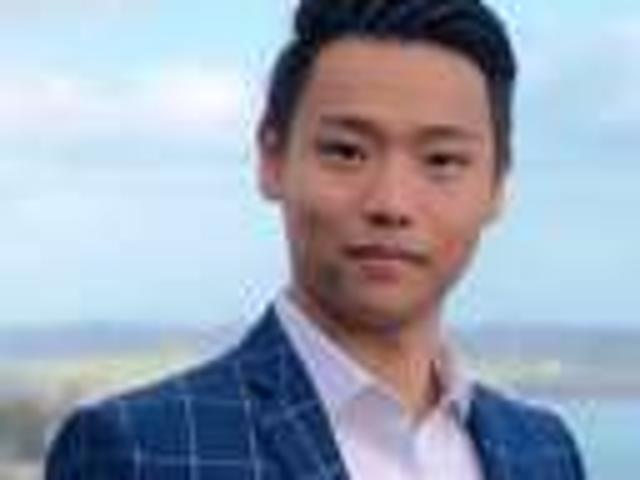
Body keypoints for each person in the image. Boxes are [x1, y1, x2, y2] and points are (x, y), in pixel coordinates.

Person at [46, 0, 586, 479]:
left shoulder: (541, 451)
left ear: (497, 187)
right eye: (347, 152)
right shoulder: (139, 450)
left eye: (442, 160)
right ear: (272, 158)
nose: (391, 203)